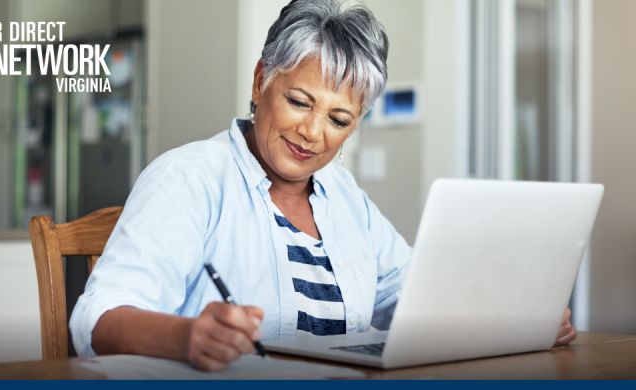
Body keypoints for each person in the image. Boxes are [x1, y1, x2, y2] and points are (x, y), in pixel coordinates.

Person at [70, 0, 576, 372]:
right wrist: (187, 337)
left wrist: (514, 319)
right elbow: (96, 320)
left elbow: (411, 298)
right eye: (298, 101)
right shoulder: (189, 178)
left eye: (338, 118)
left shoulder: (345, 196)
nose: (313, 134)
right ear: (260, 81)